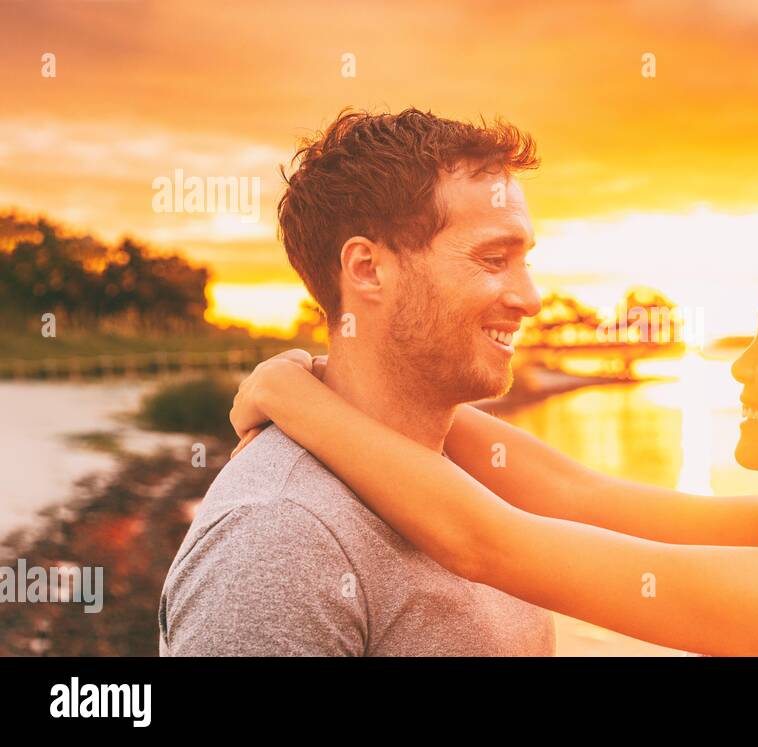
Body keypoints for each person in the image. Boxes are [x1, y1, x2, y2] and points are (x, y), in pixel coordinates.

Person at [231, 222, 758, 656]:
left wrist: (288, 395)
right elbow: (570, 494)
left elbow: (487, 542)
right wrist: (335, 373)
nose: (738, 366)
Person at [158, 109, 555, 655]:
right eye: (493, 259)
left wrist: (290, 392)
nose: (530, 298)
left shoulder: (481, 478)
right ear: (367, 268)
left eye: (523, 260)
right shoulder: (280, 538)